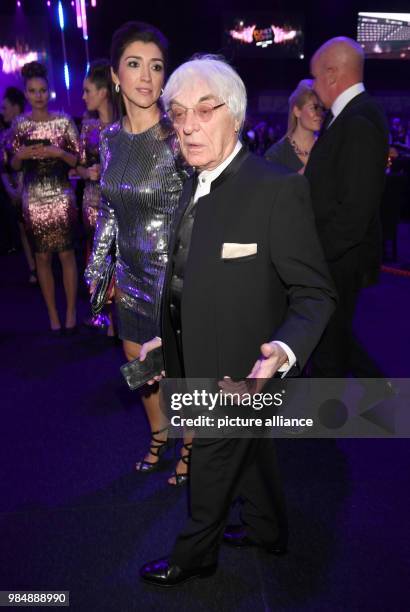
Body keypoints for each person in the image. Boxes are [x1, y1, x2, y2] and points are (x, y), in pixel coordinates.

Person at [138, 54, 337, 587]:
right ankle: (268, 528)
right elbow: (186, 274)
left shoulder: (277, 190)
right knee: (251, 456)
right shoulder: (187, 184)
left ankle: (194, 553)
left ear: (238, 114)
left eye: (205, 111)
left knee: (210, 463)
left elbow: (315, 293)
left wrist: (284, 351)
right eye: (177, 114)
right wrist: (168, 332)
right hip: (194, 353)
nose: (187, 126)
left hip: (245, 374)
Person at [85, 22, 192, 485]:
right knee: (141, 367)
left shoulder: (179, 137)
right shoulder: (108, 140)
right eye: (134, 65)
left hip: (176, 275)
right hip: (128, 276)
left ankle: (192, 445)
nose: (146, 77)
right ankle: (159, 433)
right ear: (115, 75)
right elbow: (109, 209)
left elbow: (199, 210)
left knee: (183, 372)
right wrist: (99, 272)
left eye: (156, 66)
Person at [304, 37, 389, 378]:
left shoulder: (358, 120)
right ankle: (388, 404)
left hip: (337, 262)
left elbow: (354, 213)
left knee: (328, 355)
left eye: (315, 77)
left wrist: (314, 258)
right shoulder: (350, 116)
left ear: (332, 74)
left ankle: (324, 429)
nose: (313, 85)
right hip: (335, 260)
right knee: (335, 344)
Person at [10, 62, 79, 333]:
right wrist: (21, 156)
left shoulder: (63, 121)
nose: (38, 95)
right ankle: (52, 314)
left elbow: (77, 158)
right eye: (32, 91)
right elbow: (12, 165)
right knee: (41, 258)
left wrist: (58, 153)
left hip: (61, 194)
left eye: (42, 90)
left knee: (66, 253)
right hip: (34, 196)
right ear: (26, 94)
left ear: (49, 92)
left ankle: (72, 311)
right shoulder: (19, 125)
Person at [77, 59, 114, 332]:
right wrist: (86, 171)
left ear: (103, 92)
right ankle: (100, 311)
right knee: (96, 254)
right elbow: (77, 163)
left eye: (88, 90)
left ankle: (117, 316)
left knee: (117, 254)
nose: (83, 96)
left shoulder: (121, 126)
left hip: (114, 200)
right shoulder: (88, 127)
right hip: (91, 198)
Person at [0, 87, 36, 281]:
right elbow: (3, 168)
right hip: (12, 189)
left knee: (33, 227)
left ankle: (41, 265)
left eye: (5, 107)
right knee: (22, 228)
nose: (2, 112)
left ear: (16, 107)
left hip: (30, 185)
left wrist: (21, 188)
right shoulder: (5, 135)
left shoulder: (28, 130)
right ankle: (33, 269)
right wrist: (11, 190)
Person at [265, 79, 324, 173]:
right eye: (314, 108)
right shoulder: (277, 154)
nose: (320, 114)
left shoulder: (326, 148)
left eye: (322, 108)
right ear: (297, 111)